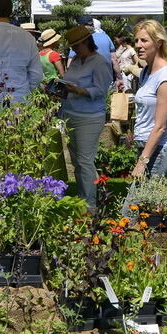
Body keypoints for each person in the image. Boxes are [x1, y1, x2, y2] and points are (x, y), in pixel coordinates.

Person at [58, 25, 112, 209]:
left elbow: (100, 90)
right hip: (71, 114)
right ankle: (83, 197)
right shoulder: (75, 62)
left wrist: (79, 90)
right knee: (77, 161)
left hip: (89, 117)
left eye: (76, 46)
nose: (74, 50)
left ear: (86, 42)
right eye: (72, 47)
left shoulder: (100, 62)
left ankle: (90, 204)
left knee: (84, 160)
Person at [131, 20, 167, 178]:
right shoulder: (147, 72)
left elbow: (160, 126)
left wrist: (142, 162)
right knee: (144, 202)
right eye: (136, 40)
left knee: (138, 202)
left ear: (159, 43)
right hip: (147, 146)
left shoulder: (166, 76)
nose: (138, 45)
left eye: (144, 40)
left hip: (161, 149)